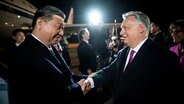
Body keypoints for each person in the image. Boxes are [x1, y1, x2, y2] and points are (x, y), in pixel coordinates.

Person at [82, 11, 184, 104]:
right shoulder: (122, 53)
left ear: (140, 29)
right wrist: (90, 81)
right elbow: (109, 72)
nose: (121, 32)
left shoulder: (165, 57)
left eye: (125, 28)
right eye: (121, 28)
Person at [8, 5, 87, 104]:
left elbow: (65, 76)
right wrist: (78, 89)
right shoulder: (23, 55)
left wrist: (88, 78)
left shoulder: (50, 46)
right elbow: (44, 97)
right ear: (40, 23)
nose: (62, 33)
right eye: (59, 27)